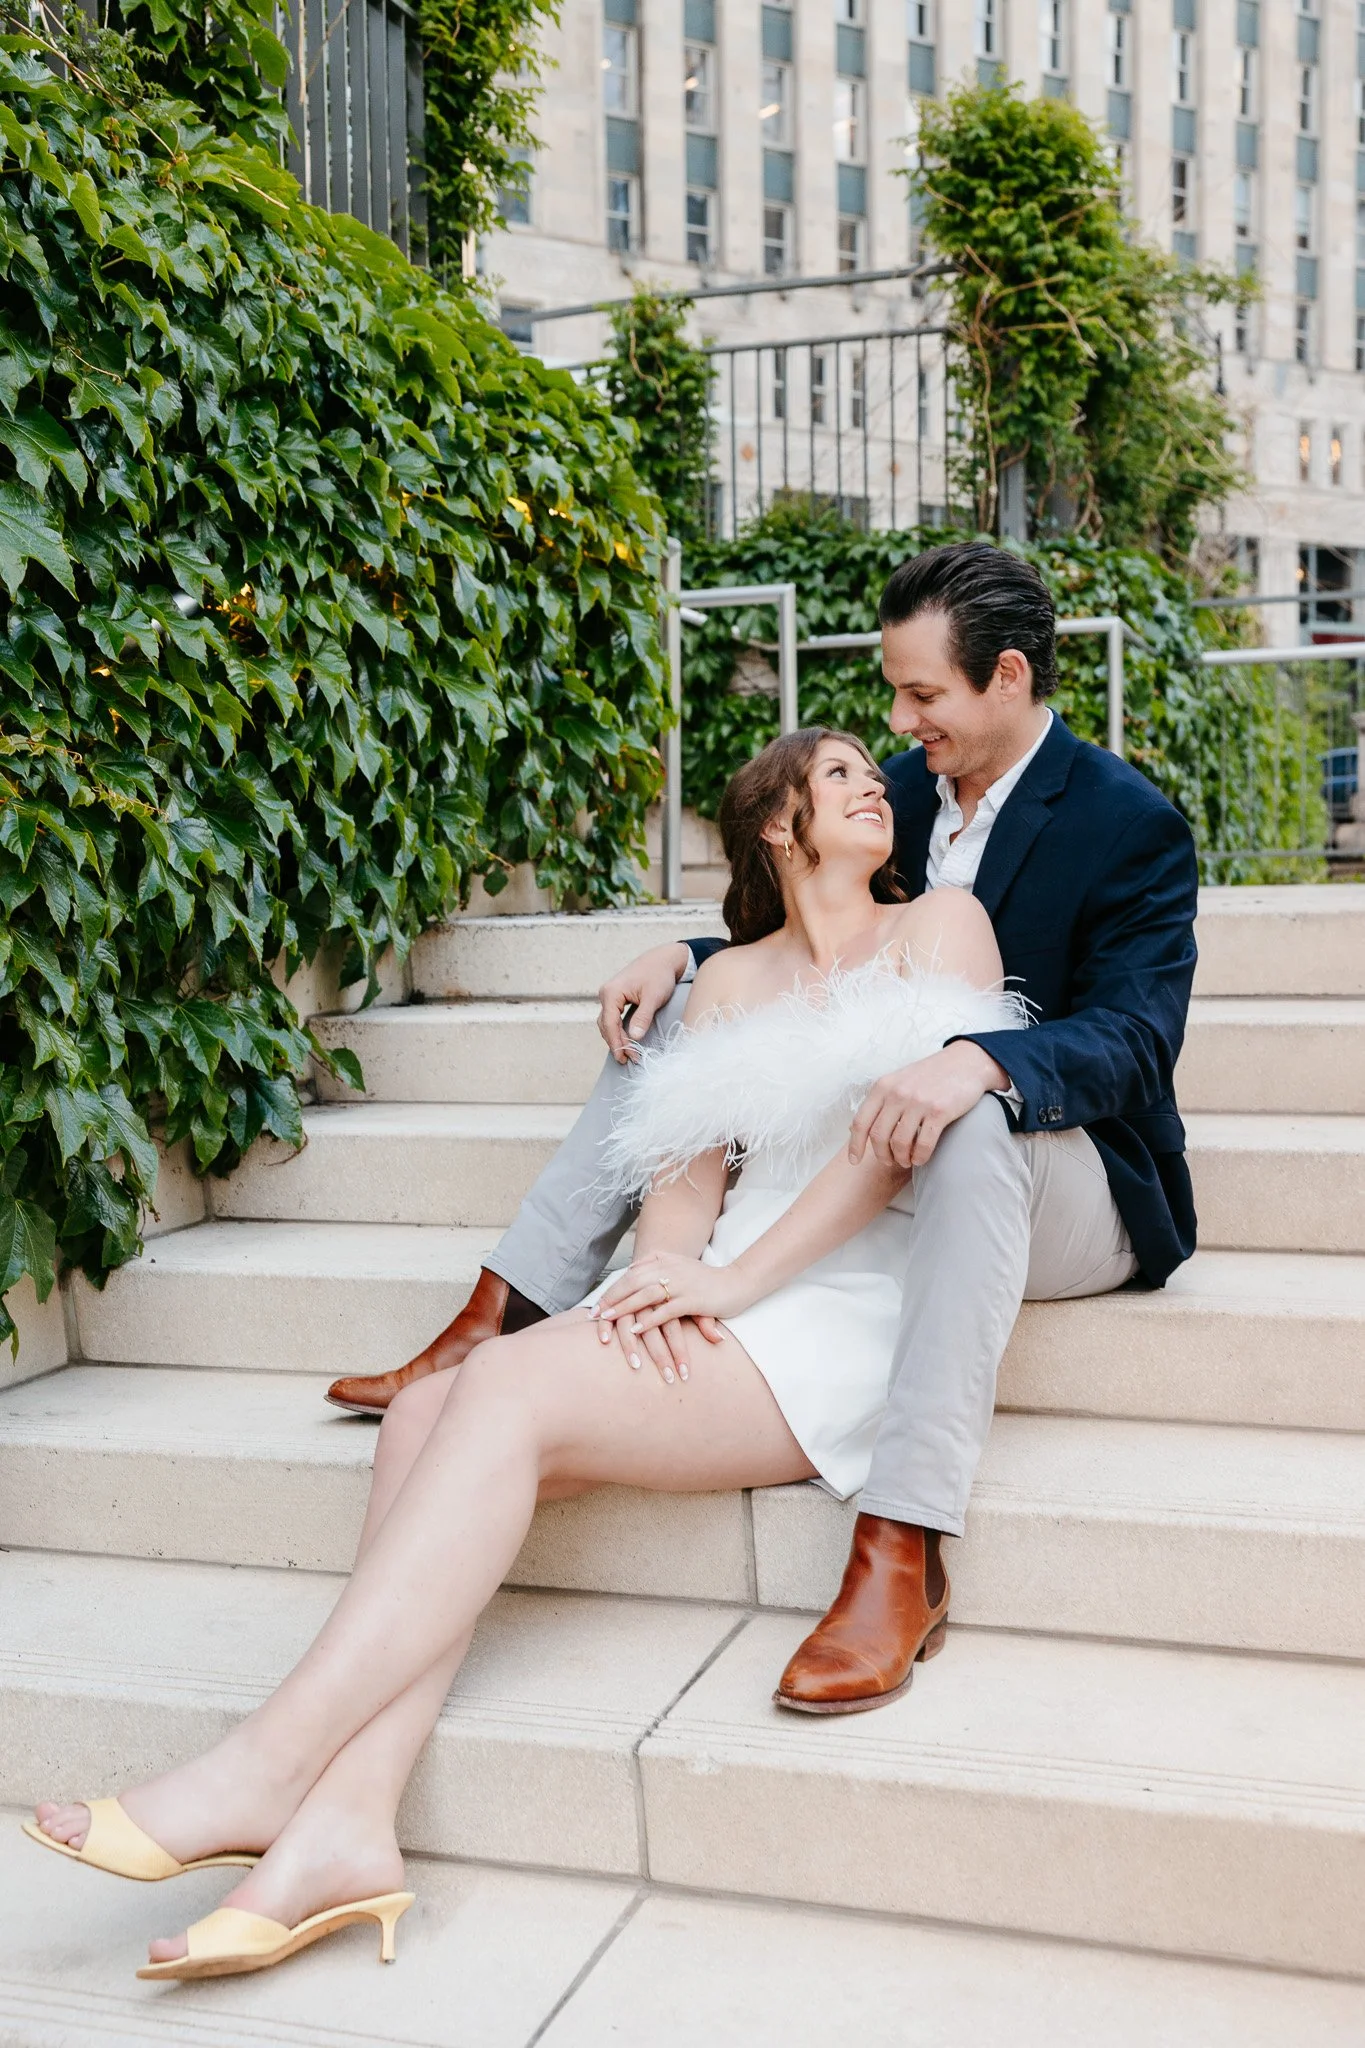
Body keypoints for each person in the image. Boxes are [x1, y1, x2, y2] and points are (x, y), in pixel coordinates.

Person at [27, 729, 1023, 1980]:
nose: (875, 781)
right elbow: (681, 1188)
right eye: (838, 774)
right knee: (418, 1417)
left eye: (873, 773)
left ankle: (267, 1761)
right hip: (717, 1285)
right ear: (779, 823)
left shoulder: (940, 922)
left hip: (845, 1299)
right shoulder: (725, 987)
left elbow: (893, 1150)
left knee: (489, 1381)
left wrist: (728, 1282)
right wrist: (650, 1284)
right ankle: (343, 1829)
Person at [327, 540, 1199, 1715]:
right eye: (894, 693)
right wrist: (684, 955)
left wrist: (978, 1057)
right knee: (683, 1009)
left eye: (921, 692)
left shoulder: (1126, 822)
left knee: (967, 1109)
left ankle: (905, 1542)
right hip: (892, 1156)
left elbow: (1138, 1041)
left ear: (1005, 676)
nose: (899, 718)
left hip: (1071, 1174)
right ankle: (513, 1301)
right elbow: (814, 936)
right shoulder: (899, 785)